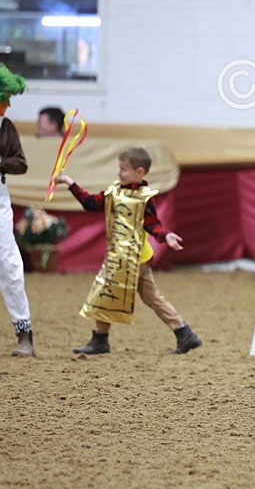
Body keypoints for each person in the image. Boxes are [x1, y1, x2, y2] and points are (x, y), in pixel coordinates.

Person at [55, 147, 202, 355]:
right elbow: (90, 203)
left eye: (123, 169)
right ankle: (183, 332)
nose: (119, 173)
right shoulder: (115, 192)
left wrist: (166, 235)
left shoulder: (143, 198)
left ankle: (101, 339)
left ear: (139, 172)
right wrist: (71, 184)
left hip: (133, 259)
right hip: (120, 257)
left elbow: (152, 224)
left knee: (107, 291)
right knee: (142, 296)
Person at [0, 66, 34, 357]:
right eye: (4, 99)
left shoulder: (5, 127)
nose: (8, 105)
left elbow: (20, 163)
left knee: (9, 263)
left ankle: (24, 333)